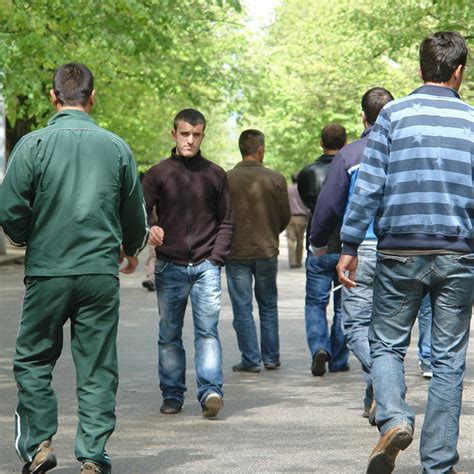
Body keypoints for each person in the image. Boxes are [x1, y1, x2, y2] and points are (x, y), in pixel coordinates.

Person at [0, 63, 148, 474]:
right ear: (92, 96)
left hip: (48, 269)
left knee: (32, 359)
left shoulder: (32, 145)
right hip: (100, 271)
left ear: (53, 97)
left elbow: (9, 207)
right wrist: (130, 247)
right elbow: (134, 212)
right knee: (97, 364)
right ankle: (93, 456)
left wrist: (29, 236)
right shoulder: (116, 146)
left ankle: (39, 445)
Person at [337, 32, 473, 474]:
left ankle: (394, 418)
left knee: (387, 345)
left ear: (420, 70)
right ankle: (438, 464)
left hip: (398, 251)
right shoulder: (472, 122)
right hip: (458, 253)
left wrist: (350, 245)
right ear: (459, 72)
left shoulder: (392, 115)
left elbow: (369, 186)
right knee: (449, 359)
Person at [310, 88, 433, 423]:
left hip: (362, 250)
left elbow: (330, 205)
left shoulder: (350, 154)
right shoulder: (409, 151)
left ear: (362, 117)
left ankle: (385, 381)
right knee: (387, 328)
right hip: (402, 246)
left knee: (355, 326)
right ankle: (377, 394)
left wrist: (317, 241)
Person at [142, 109, 233, 418]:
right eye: (184, 134)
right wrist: (148, 230)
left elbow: (227, 221)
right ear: (174, 135)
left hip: (206, 267)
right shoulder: (158, 174)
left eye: (196, 135)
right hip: (169, 266)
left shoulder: (215, 174)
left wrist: (215, 258)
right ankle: (171, 394)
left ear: (202, 136)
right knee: (169, 334)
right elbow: (140, 212)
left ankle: (210, 392)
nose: (190, 140)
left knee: (207, 333)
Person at [226, 129, 290, 372]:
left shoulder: (227, 178)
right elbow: (284, 216)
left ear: (241, 149)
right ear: (261, 149)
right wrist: (271, 231)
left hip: (236, 251)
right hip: (266, 250)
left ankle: (251, 359)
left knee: (242, 307)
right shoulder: (275, 178)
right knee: (268, 305)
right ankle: (271, 357)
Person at [297, 123, 349, 376]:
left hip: (318, 243)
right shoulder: (351, 169)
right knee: (343, 304)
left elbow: (308, 203)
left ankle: (319, 347)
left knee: (315, 303)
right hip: (346, 245)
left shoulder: (308, 172)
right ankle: (339, 359)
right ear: (346, 142)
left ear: (321, 143)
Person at [286, 173, 310, 268]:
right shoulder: (303, 189)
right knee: (300, 240)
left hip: (290, 217)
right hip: (302, 217)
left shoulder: (287, 189)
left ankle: (292, 261)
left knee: (290, 240)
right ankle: (298, 261)